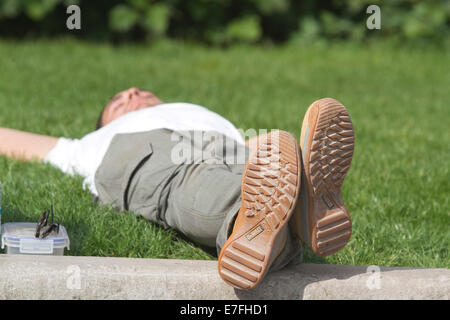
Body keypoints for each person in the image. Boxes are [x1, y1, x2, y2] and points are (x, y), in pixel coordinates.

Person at [0, 88, 354, 290]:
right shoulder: (89, 142)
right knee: (181, 183)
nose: (133, 93)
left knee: (247, 173)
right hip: (139, 146)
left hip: (228, 143)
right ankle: (280, 213)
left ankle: (279, 218)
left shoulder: (197, 112)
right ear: (106, 120)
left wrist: (279, 150)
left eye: (139, 91)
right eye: (120, 99)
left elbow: (266, 150)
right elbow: (19, 140)